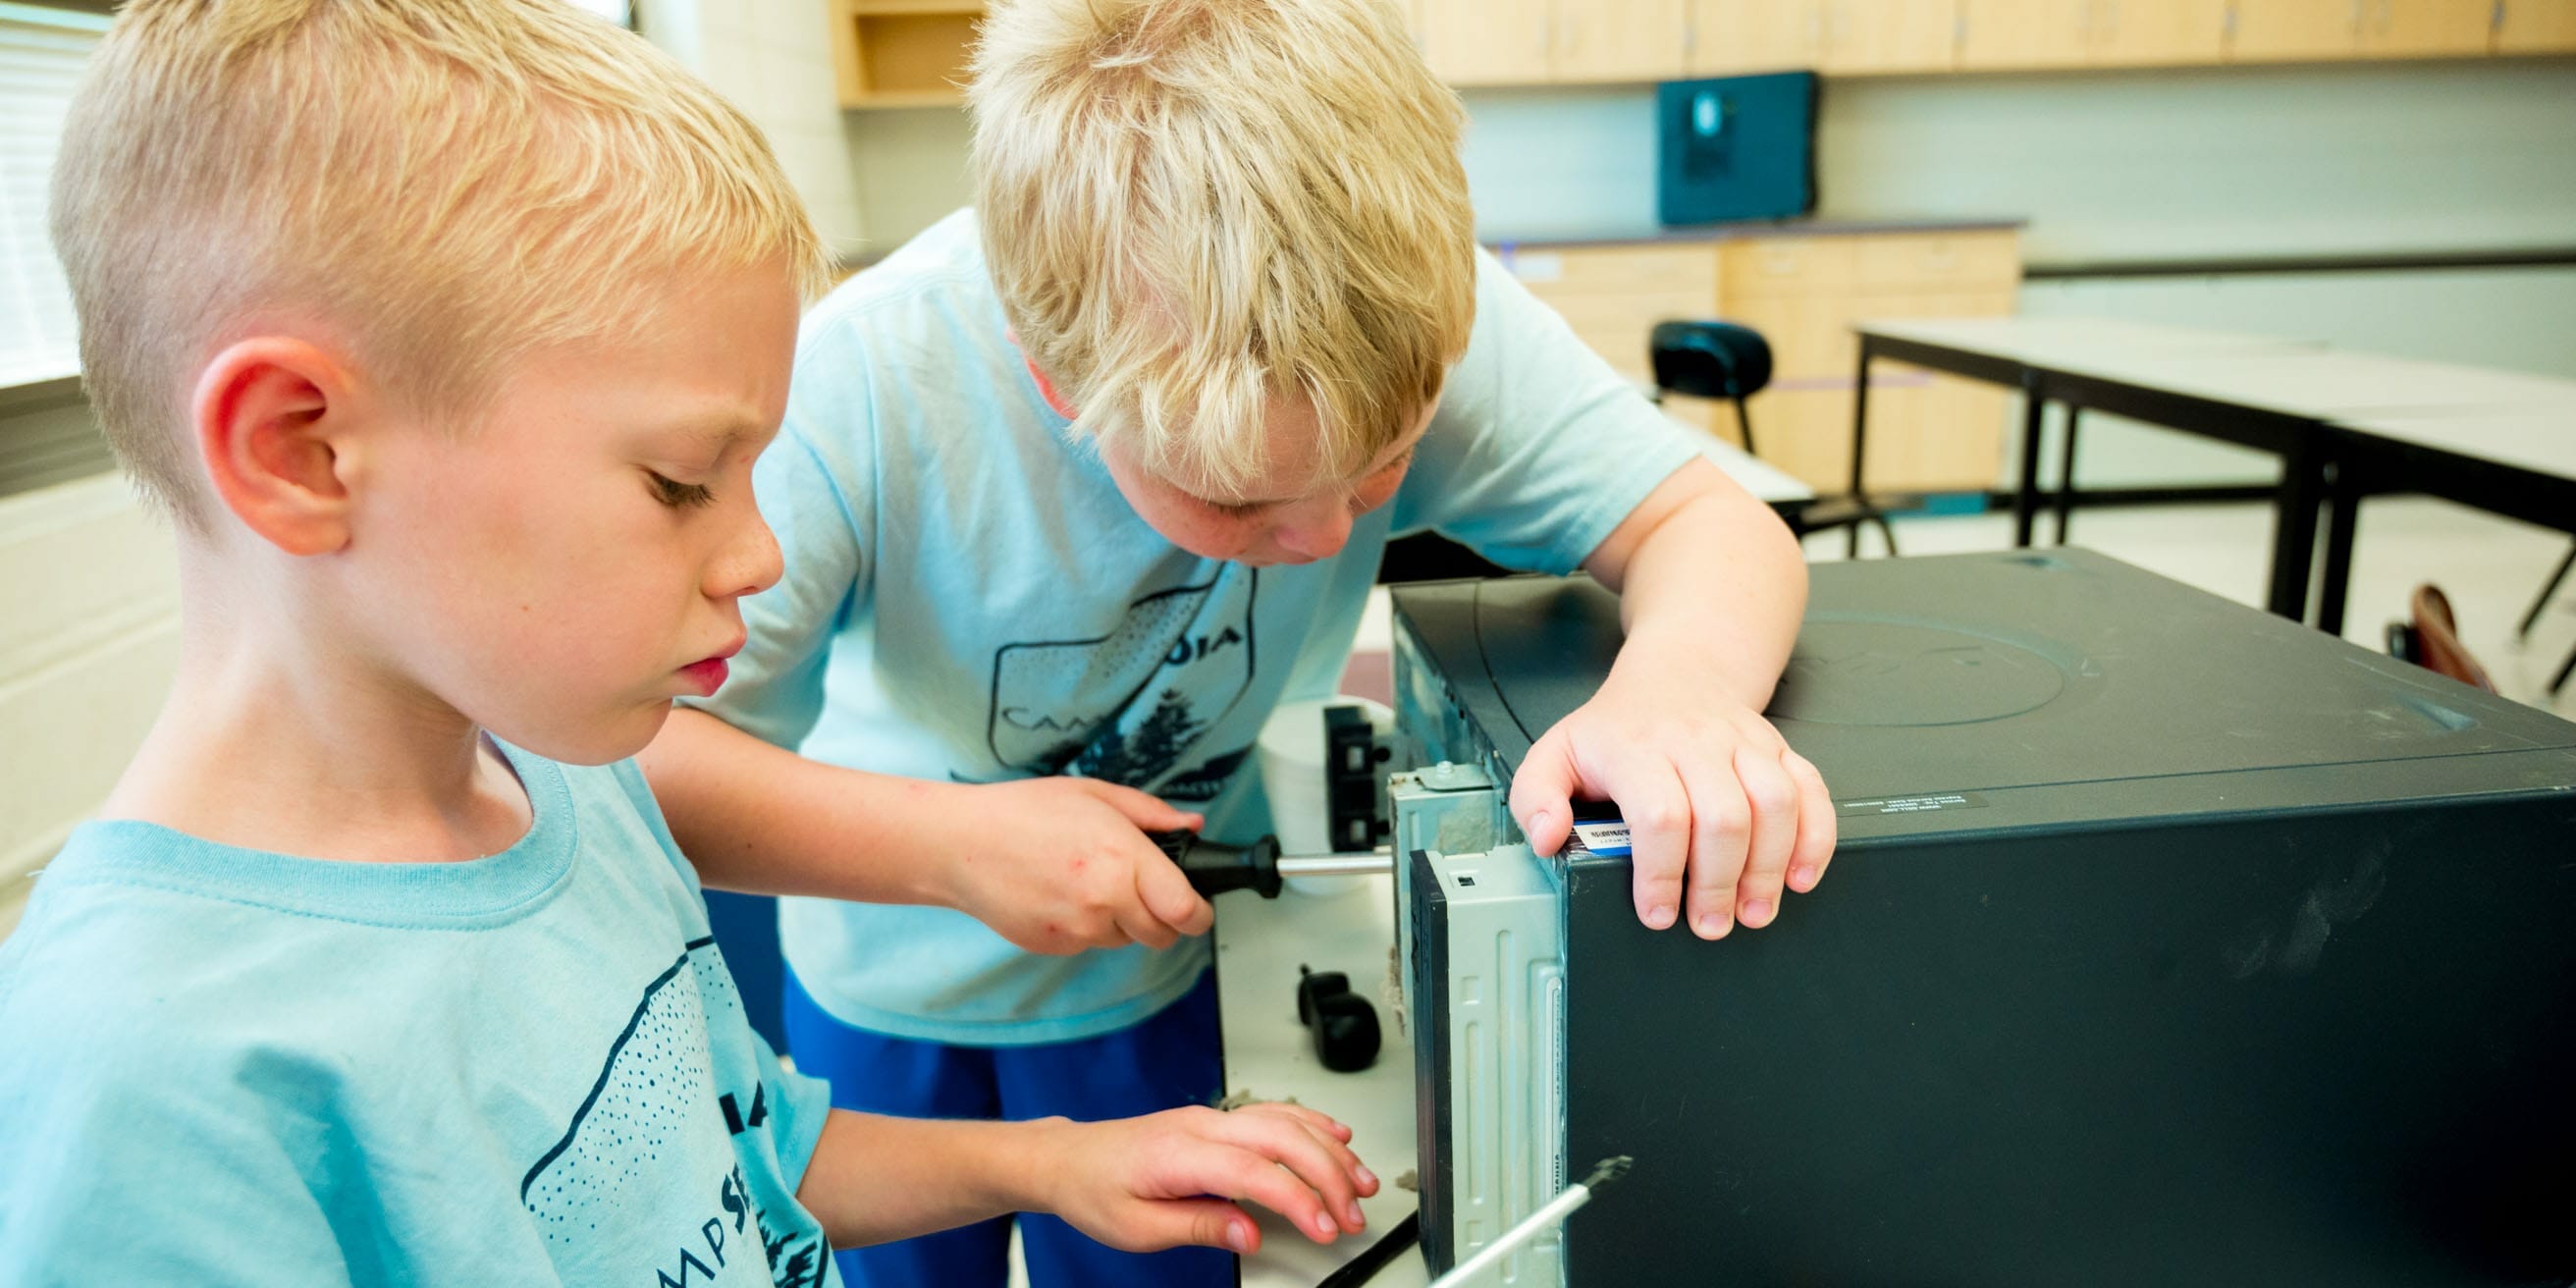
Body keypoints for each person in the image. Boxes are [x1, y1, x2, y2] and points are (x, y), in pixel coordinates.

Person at [0, 3, 1371, 1282]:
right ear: (300, 452)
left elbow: (740, 1156)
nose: (761, 556)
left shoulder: (584, 790)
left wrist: (1057, 1167)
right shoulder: (146, 1081)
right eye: (679, 483)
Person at [638, 1, 1839, 1283]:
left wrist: (1679, 691)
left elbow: (1708, 520)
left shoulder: (1404, 299)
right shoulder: (860, 387)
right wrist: (946, 847)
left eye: (1385, 466)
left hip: (1159, 970)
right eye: (1233, 500)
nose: (1323, 541)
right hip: (883, 986)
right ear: (1054, 379)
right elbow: (633, 760)